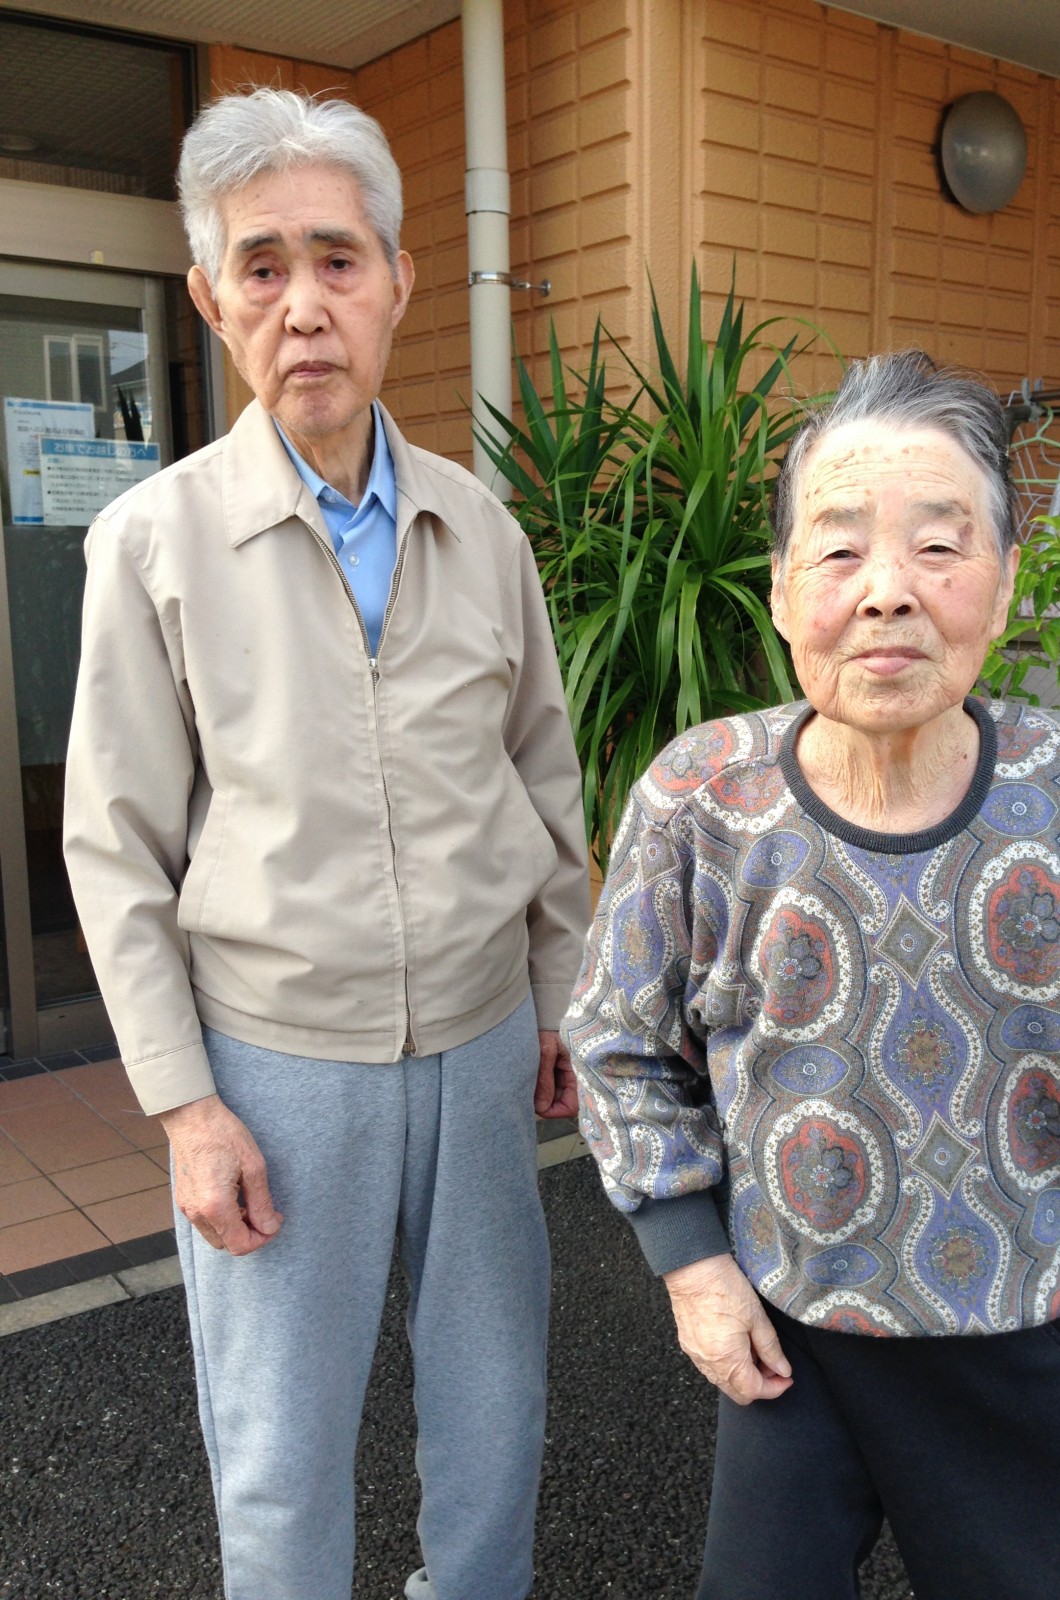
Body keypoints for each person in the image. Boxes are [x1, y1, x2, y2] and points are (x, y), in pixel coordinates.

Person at [565, 350, 1060, 1600]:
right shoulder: (702, 799)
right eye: (841, 549)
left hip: (1042, 1326)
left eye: (939, 547)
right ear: (781, 588)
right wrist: (693, 1268)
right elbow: (619, 1044)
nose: (888, 592)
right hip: (792, 1331)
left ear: (1003, 582)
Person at [64, 88, 588, 1600]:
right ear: (210, 298)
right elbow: (113, 844)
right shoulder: (153, 543)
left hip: (481, 1043)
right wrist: (186, 1108)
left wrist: (561, 994)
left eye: (338, 260)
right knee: (283, 1448)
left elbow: (541, 776)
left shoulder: (479, 528)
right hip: (274, 1064)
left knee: (495, 1407)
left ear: (399, 282)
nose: (305, 306)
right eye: (264, 265)